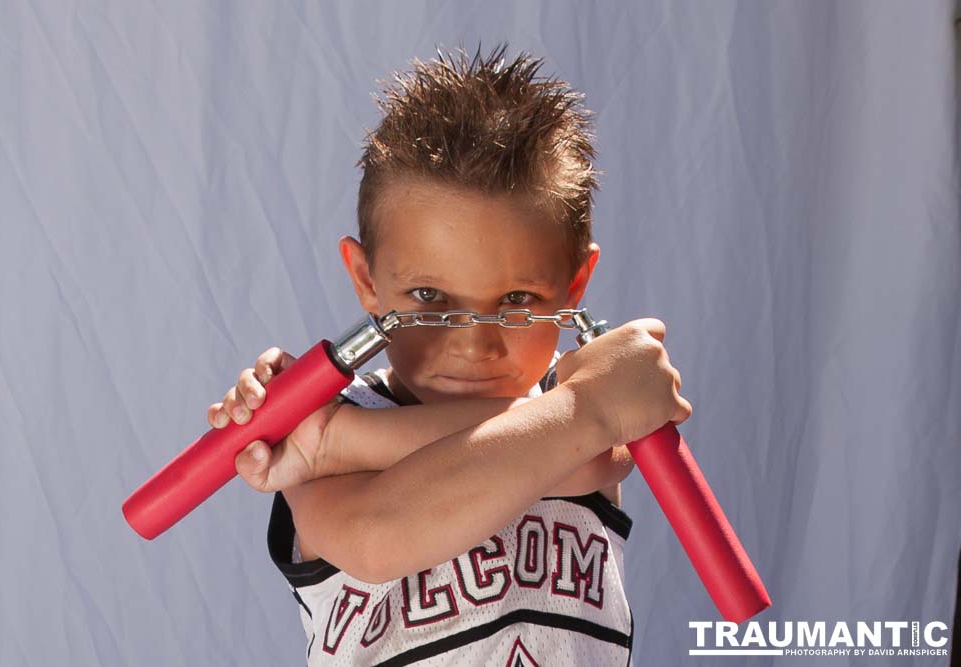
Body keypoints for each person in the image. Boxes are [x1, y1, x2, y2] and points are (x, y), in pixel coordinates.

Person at [207, 45, 692, 666]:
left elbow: (594, 450)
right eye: (430, 297)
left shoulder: (582, 410)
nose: (472, 344)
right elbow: (376, 540)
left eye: (517, 300)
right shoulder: (322, 420)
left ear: (574, 285)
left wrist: (343, 443)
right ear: (366, 279)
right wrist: (334, 439)